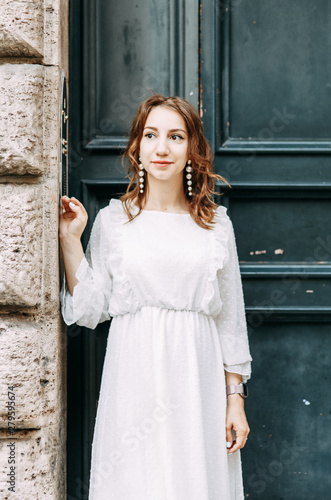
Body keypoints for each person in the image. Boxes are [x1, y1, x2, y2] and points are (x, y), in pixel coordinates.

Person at [60, 94, 252, 500]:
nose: (162, 147)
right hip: (134, 377)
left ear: (192, 150)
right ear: (137, 147)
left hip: (197, 377)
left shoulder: (217, 227)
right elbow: (90, 310)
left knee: (194, 480)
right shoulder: (114, 221)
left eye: (176, 136)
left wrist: (235, 399)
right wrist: (70, 241)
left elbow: (230, 319)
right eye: (151, 135)